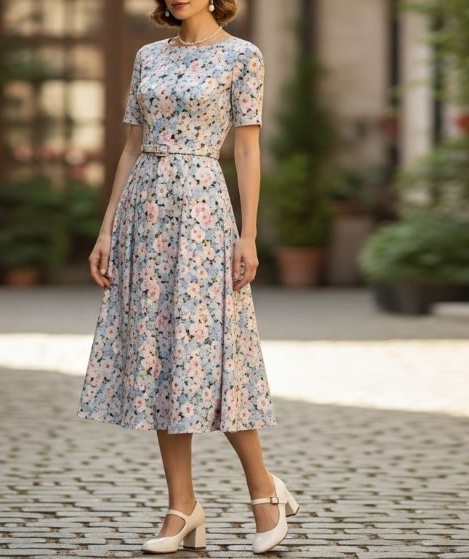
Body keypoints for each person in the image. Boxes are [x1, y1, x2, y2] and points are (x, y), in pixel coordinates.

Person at [76, 0, 298, 553]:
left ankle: (263, 490)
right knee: (161, 357)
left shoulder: (243, 56)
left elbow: (247, 148)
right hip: (143, 215)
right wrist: (106, 231)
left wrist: (247, 235)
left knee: (212, 353)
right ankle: (183, 508)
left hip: (202, 212)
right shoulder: (148, 55)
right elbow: (130, 149)